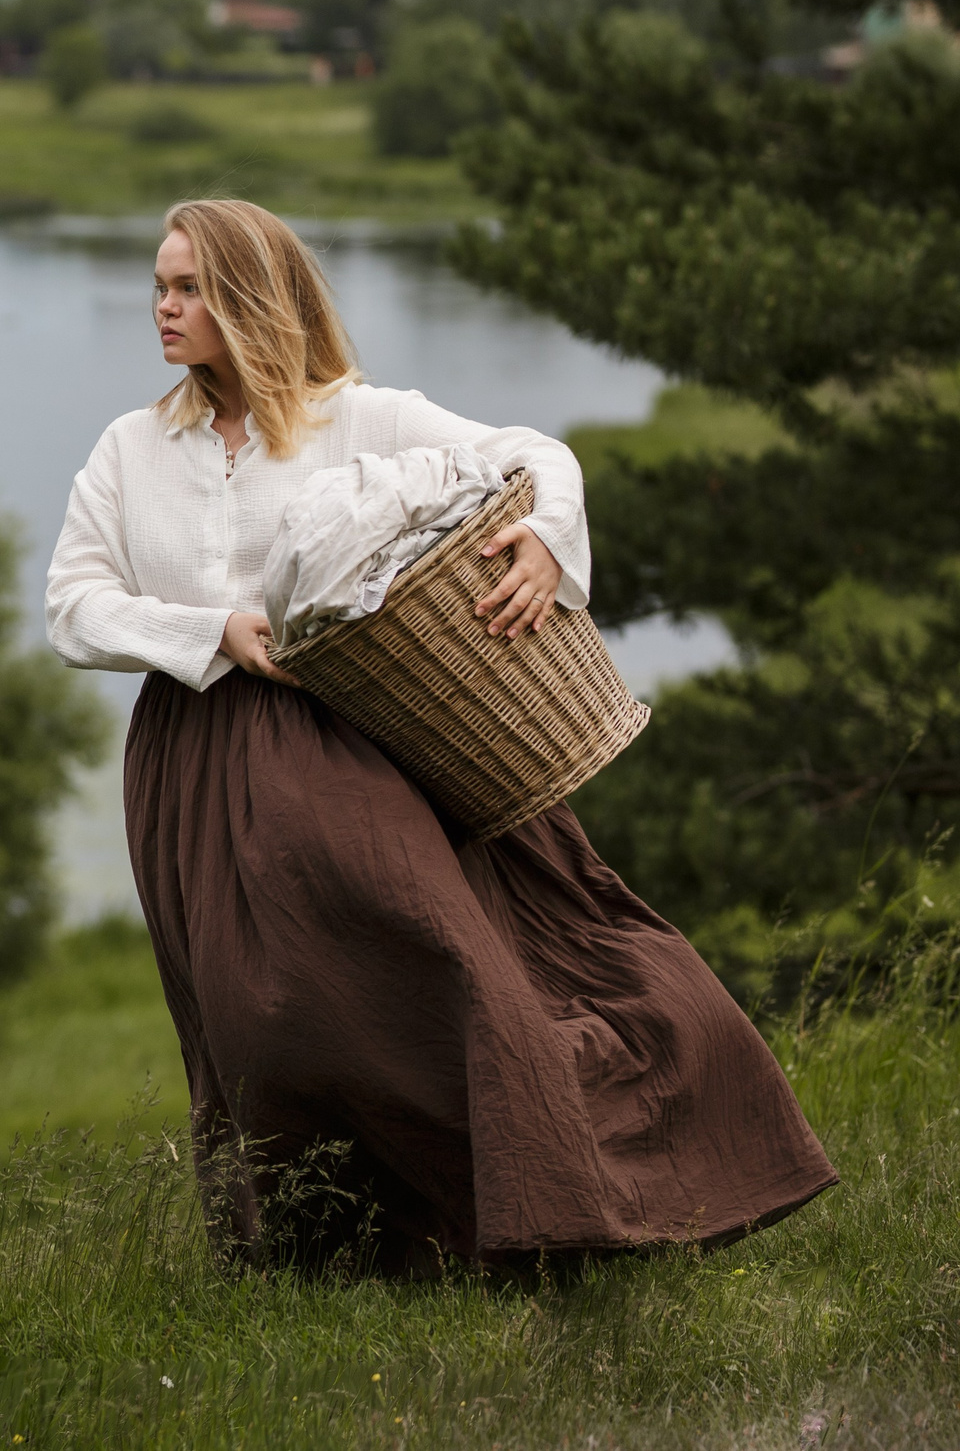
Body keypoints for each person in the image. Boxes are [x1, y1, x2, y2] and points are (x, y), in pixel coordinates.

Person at [45, 197, 835, 1275]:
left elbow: (533, 454)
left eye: (187, 288)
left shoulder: (356, 416)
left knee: (439, 968)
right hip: (194, 756)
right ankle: (323, 1254)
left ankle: (546, 1207)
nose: (163, 308)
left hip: (357, 739)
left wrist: (545, 546)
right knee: (249, 1021)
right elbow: (73, 603)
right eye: (158, 285)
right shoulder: (133, 447)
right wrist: (212, 628)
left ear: (251, 300)